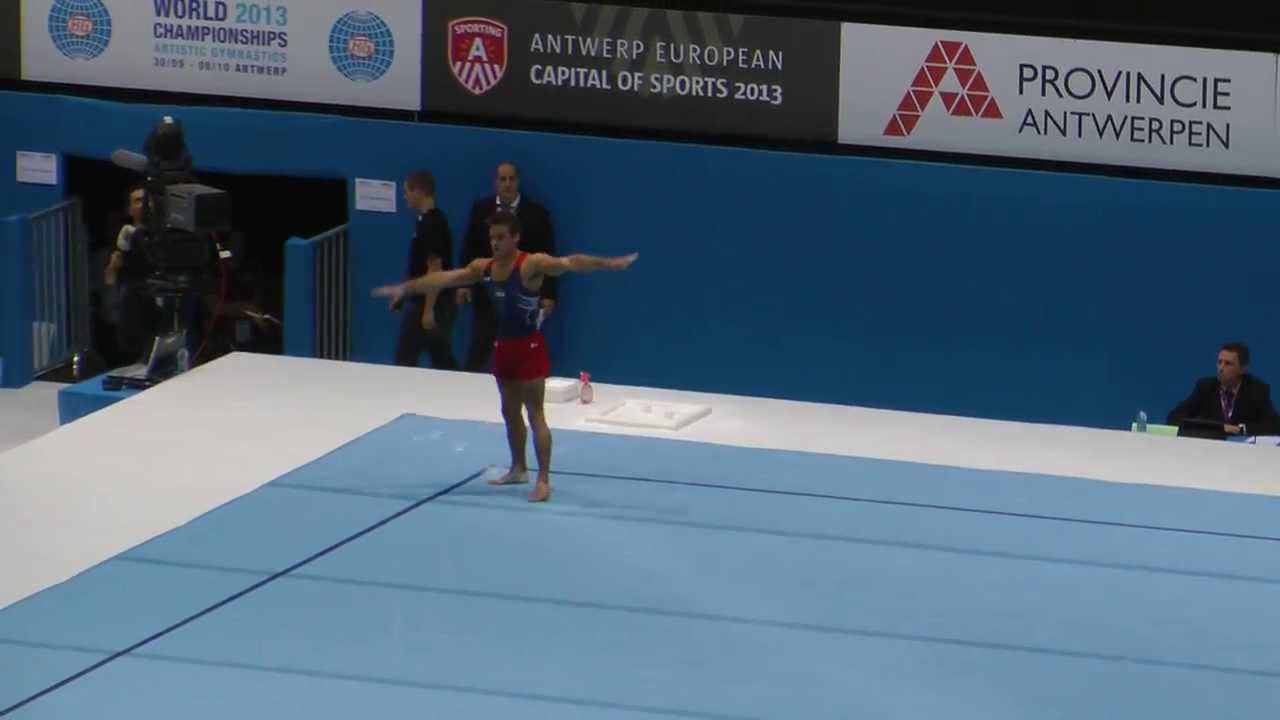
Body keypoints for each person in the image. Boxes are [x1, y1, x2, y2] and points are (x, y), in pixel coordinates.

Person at [374, 211, 637, 502]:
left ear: (515, 238)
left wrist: (607, 264)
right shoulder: (484, 267)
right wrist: (407, 287)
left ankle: (543, 480)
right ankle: (518, 468)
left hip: (530, 348)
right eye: (492, 238)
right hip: (504, 347)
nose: (495, 243)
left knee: (536, 415)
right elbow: (446, 278)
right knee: (509, 412)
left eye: (501, 237)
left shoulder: (531, 264)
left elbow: (570, 263)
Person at [458, 161, 557, 372]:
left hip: (522, 294)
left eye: (511, 179)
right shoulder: (480, 209)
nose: (507, 184)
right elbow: (470, 247)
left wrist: (549, 294)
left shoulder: (536, 214)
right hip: (487, 291)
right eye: (502, 179)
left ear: (518, 181)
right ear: (495, 183)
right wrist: (463, 285)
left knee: (520, 350)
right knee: (480, 345)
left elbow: (548, 257)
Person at [392, 171, 458, 370]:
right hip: (420, 300)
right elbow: (418, 266)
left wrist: (429, 310)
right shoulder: (423, 222)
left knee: (409, 356)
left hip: (430, 303)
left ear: (419, 192)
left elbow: (434, 268)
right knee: (438, 354)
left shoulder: (432, 223)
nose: (405, 197)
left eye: (407, 191)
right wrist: (404, 292)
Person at [1167, 342, 1280, 437]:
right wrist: (1204, 427)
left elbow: (1275, 425)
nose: (1221, 368)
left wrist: (1240, 429)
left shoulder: (1256, 389)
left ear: (1243, 369)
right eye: (1219, 362)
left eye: (1228, 364)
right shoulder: (1205, 387)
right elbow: (1174, 417)